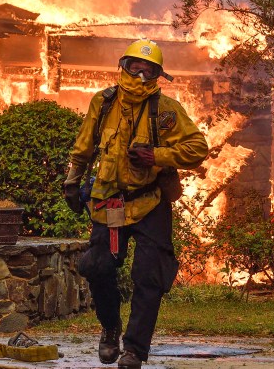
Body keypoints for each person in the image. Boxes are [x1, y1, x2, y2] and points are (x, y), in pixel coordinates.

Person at [63, 38, 209, 369]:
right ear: (123, 67)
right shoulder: (102, 103)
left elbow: (197, 148)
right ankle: (110, 328)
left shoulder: (167, 110)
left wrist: (156, 155)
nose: (141, 74)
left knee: (150, 276)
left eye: (150, 69)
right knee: (97, 266)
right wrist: (72, 182)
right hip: (110, 202)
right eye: (135, 67)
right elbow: (84, 147)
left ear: (159, 74)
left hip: (150, 202)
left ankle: (134, 350)